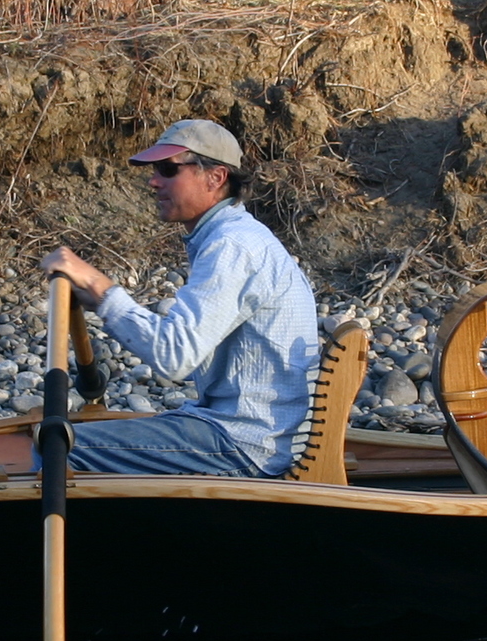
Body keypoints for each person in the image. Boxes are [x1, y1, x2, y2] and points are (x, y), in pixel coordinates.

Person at [40, 119, 320, 477]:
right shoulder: (235, 236)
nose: (154, 181)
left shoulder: (232, 246)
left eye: (169, 169)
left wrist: (100, 287)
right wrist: (95, 300)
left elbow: (175, 356)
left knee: (57, 448)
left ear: (216, 178)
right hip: (252, 432)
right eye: (156, 170)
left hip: (247, 445)